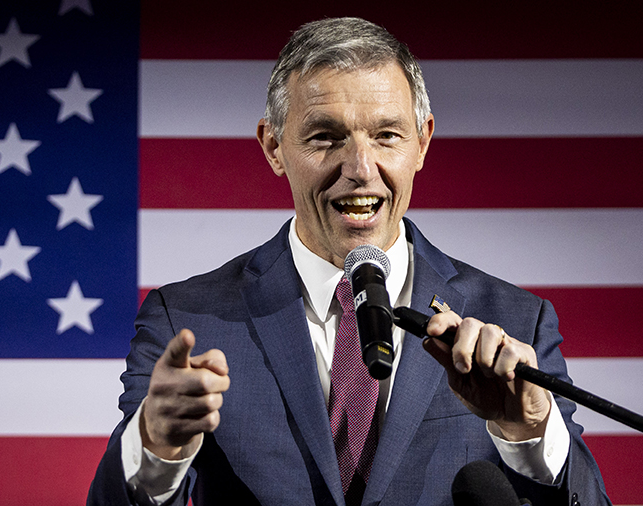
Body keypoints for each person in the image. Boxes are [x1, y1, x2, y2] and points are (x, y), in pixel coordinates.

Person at [88, 17, 610, 506]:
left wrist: (531, 431)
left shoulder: (516, 321)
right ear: (274, 147)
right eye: (325, 137)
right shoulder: (186, 319)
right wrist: (156, 447)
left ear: (423, 141)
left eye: (386, 135)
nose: (361, 169)